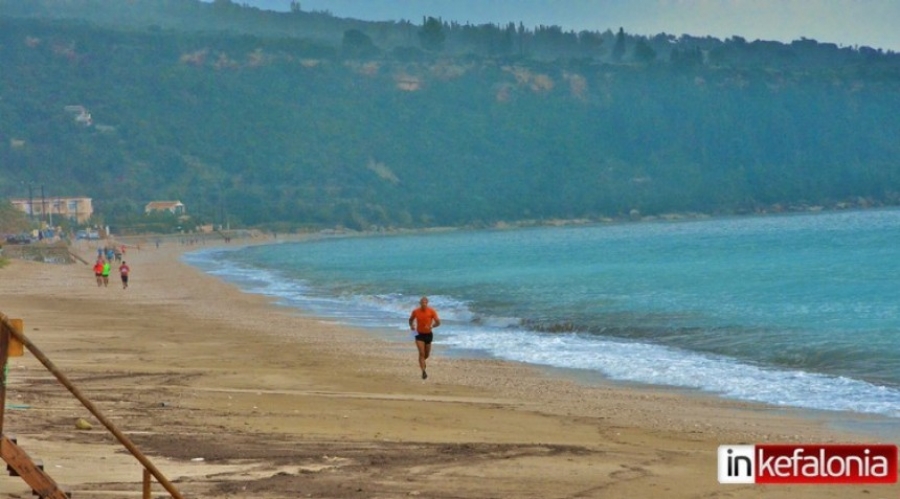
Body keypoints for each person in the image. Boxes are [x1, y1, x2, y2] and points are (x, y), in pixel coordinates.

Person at [408, 296, 440, 379]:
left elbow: (438, 322)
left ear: (427, 303)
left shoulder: (431, 311)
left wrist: (432, 326)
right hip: (418, 334)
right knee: (421, 353)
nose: (424, 304)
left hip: (428, 334)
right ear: (420, 303)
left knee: (426, 355)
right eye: (422, 303)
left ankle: (422, 362)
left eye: (425, 303)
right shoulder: (415, 311)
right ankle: (423, 371)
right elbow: (410, 319)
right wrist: (411, 326)